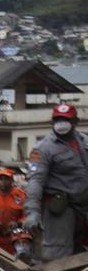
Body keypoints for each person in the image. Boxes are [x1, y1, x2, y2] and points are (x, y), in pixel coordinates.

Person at [23, 104, 88, 260]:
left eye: (66, 119)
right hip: (61, 207)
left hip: (83, 206)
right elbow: (35, 181)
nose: (61, 123)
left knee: (80, 253)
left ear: (75, 121)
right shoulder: (42, 148)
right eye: (58, 119)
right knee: (59, 254)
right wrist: (32, 212)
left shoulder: (84, 141)